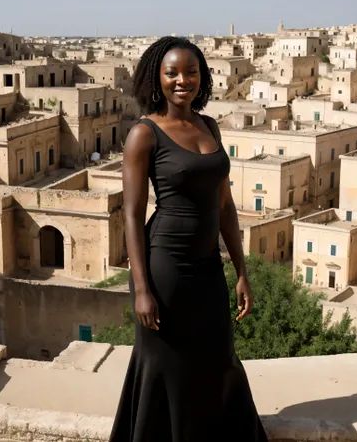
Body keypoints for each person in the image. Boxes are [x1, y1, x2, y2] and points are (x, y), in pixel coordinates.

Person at [109, 37, 268, 442]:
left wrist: (242, 271)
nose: (183, 80)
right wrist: (142, 290)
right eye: (172, 73)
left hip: (206, 266)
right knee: (168, 367)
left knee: (218, 359)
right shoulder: (144, 134)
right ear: (155, 78)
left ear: (203, 76)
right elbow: (131, 214)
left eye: (191, 72)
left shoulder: (208, 125)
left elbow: (225, 206)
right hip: (166, 268)